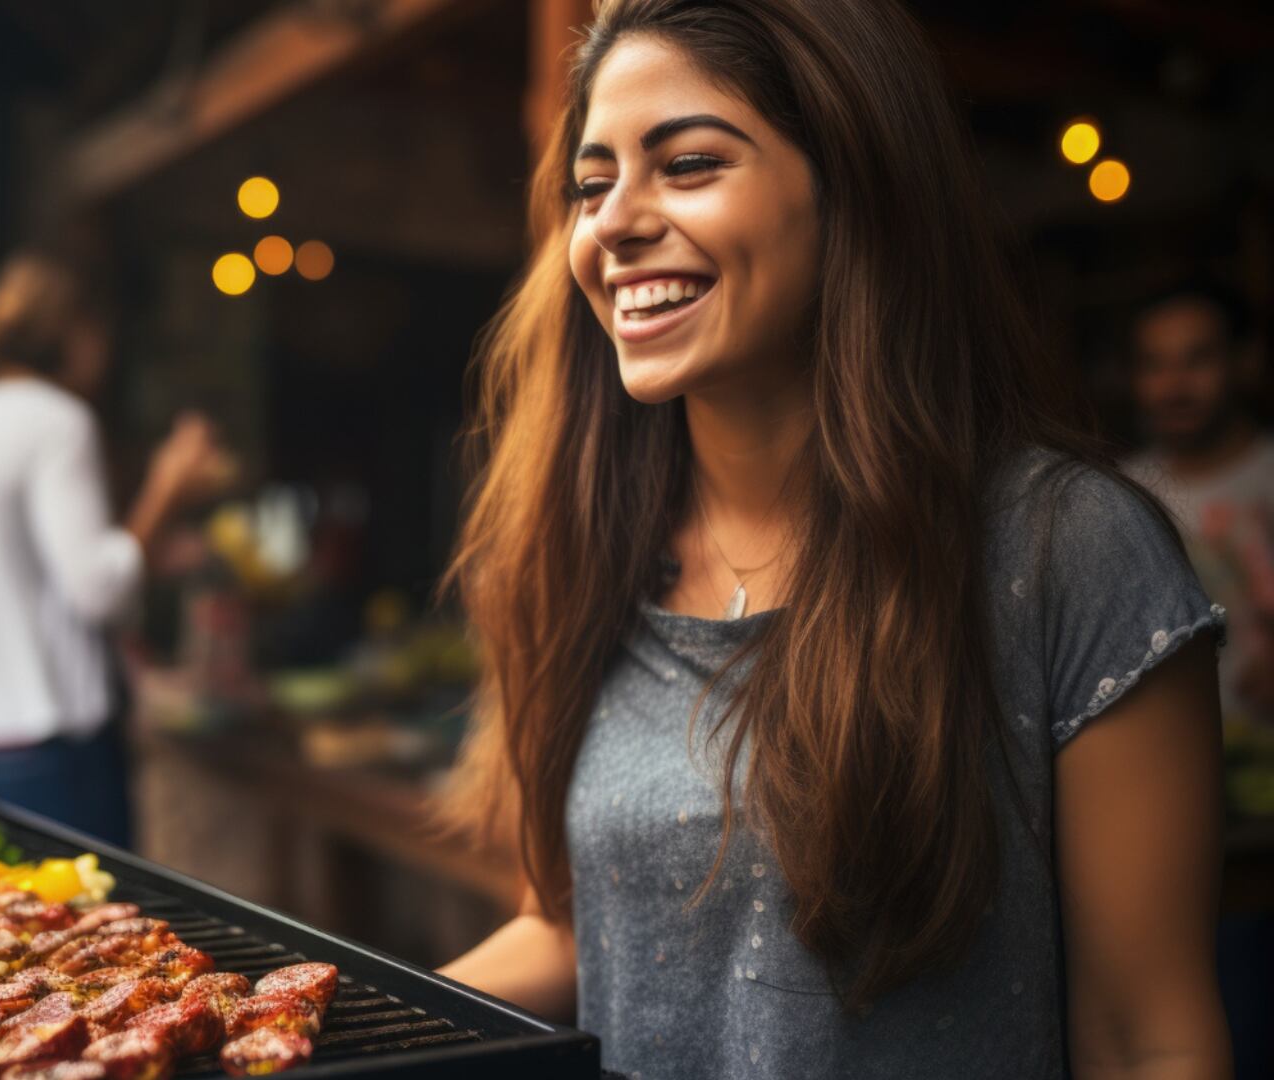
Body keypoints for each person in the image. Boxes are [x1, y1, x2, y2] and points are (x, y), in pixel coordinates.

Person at [433, 2, 1231, 1077]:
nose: (613, 222)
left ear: (854, 183)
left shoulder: (1066, 551)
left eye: (689, 163)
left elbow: (1148, 1044)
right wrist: (317, 1028)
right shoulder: (590, 549)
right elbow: (577, 930)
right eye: (592, 182)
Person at [0, 253, 227, 848]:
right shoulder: (58, 421)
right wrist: (167, 486)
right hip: (46, 755)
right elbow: (97, 591)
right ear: (72, 331)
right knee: (95, 938)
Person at [1121, 280, 1273, 727]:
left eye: (1197, 359)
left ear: (1244, 361)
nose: (1174, 385)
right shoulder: (1121, 498)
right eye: (1154, 364)